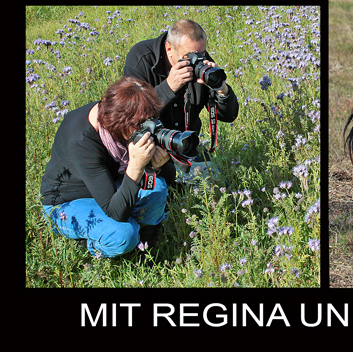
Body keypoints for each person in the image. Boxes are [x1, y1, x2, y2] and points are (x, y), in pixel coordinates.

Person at [41, 77, 175, 257]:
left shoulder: (127, 118)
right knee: (122, 234)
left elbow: (168, 178)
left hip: (109, 186)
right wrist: (135, 166)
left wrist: (156, 167)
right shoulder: (81, 140)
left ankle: (146, 247)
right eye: (141, 125)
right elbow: (116, 211)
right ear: (120, 124)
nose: (148, 129)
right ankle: (93, 246)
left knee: (156, 188)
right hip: (67, 202)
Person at [122, 19, 238, 174]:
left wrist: (221, 89)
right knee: (161, 193)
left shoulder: (202, 62)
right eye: (188, 56)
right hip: (152, 152)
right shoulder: (141, 59)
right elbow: (130, 115)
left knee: (219, 188)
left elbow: (228, 116)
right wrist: (169, 86)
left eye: (202, 53)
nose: (196, 60)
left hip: (187, 147)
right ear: (169, 49)